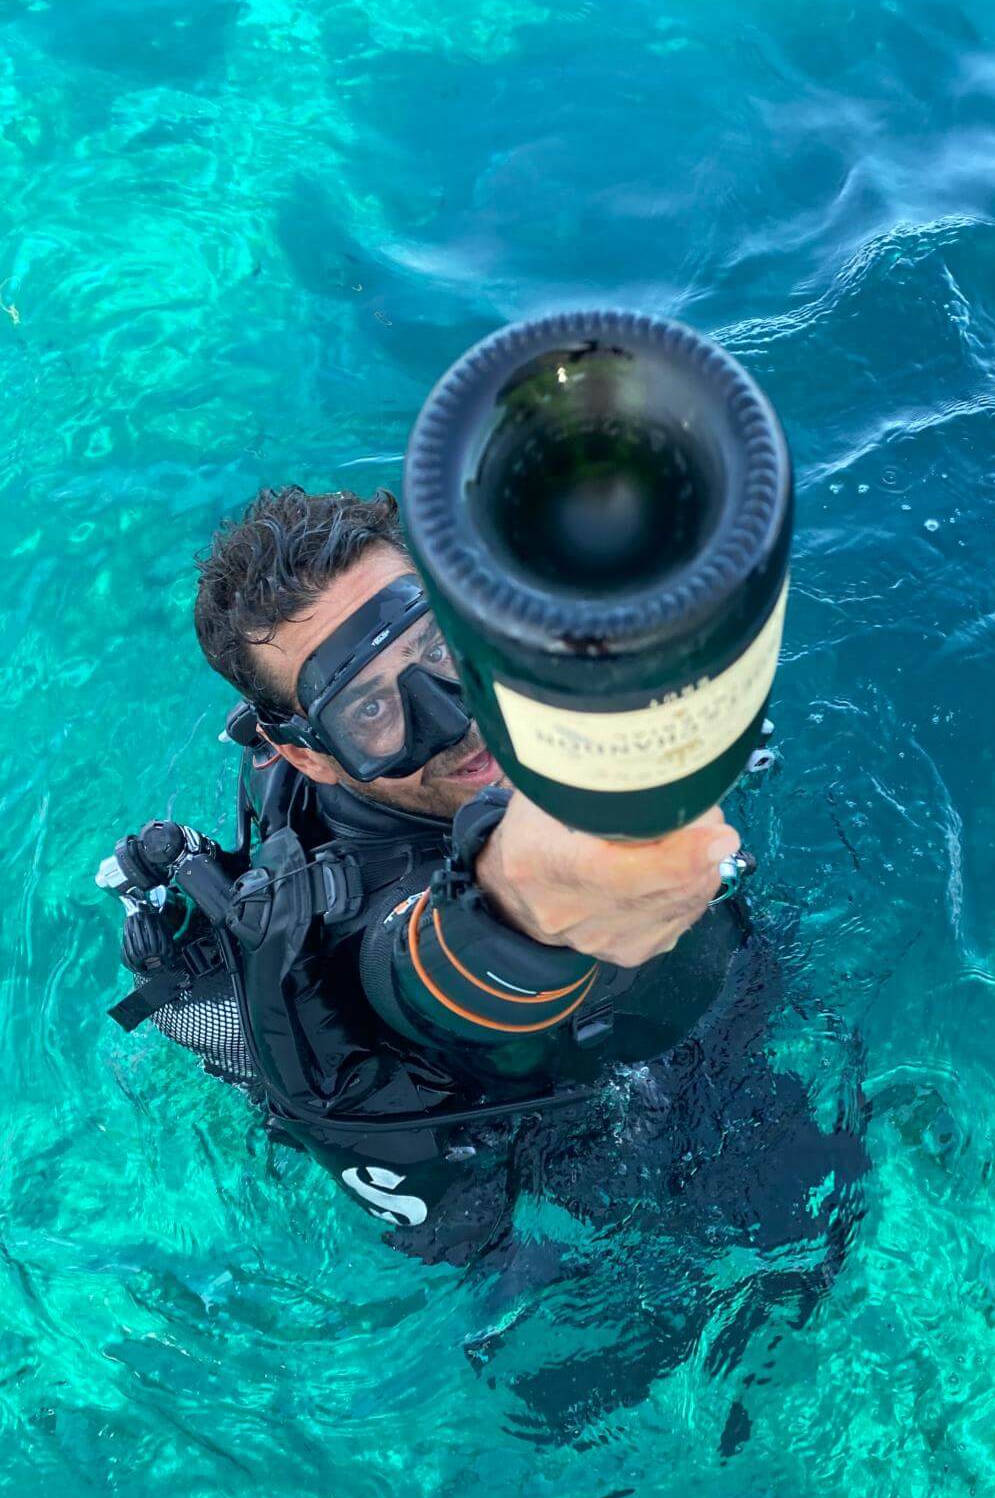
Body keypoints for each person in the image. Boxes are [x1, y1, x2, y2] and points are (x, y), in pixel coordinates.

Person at [107, 487, 865, 1422]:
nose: (456, 719)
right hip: (548, 1131)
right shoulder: (365, 917)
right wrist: (540, 896)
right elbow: (437, 965)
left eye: (438, 648)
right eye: (373, 709)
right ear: (303, 755)